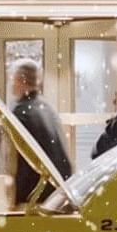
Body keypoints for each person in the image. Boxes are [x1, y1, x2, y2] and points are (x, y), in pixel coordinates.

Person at [11, 59, 72, 205]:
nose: (12, 84)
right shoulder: (47, 108)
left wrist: (18, 199)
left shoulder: (22, 112)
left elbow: (24, 161)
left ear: (20, 80)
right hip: (57, 193)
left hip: (36, 194)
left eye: (13, 79)